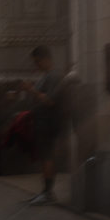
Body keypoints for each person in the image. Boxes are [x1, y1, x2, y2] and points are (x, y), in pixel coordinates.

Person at [21, 45, 66, 205]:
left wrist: (31, 90)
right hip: (42, 123)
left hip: (49, 124)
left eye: (38, 61)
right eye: (35, 62)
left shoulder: (55, 76)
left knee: (47, 157)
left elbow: (51, 101)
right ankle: (46, 192)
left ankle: (48, 193)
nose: (37, 65)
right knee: (45, 157)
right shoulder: (46, 76)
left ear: (47, 58)